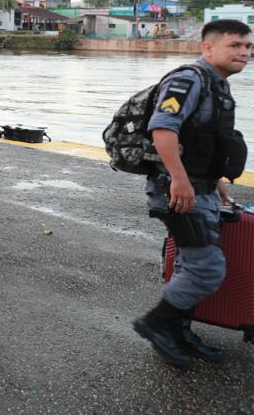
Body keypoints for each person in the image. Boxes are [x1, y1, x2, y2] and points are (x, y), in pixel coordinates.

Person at [133, 19, 251, 367]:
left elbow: (203, 141)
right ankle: (155, 324)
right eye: (235, 45)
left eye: (247, 46)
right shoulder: (188, 80)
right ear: (208, 48)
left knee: (189, 264)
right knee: (207, 269)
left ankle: (178, 333)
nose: (244, 52)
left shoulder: (218, 85)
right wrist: (179, 180)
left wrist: (216, 181)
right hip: (179, 190)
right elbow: (163, 129)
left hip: (201, 188)